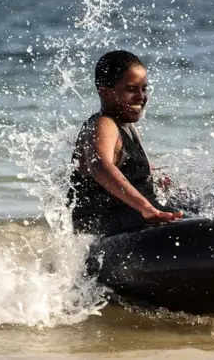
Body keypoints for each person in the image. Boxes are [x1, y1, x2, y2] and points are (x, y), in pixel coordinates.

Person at [67, 50, 182, 237]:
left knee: (199, 206)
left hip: (129, 222)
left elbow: (125, 169)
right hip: (106, 233)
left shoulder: (126, 127)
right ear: (104, 91)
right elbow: (101, 167)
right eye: (131, 89)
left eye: (144, 89)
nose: (140, 96)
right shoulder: (102, 124)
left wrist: (155, 179)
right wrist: (145, 207)